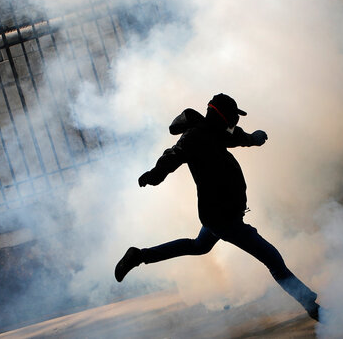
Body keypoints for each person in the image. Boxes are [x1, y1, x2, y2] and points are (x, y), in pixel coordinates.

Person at [114, 93, 321, 321]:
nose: (235, 122)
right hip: (222, 218)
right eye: (233, 117)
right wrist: (155, 174)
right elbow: (173, 155)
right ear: (222, 115)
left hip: (222, 214)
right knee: (272, 259)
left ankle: (139, 256)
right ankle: (311, 306)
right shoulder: (195, 136)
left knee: (199, 246)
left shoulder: (214, 132)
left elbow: (235, 138)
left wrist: (253, 138)